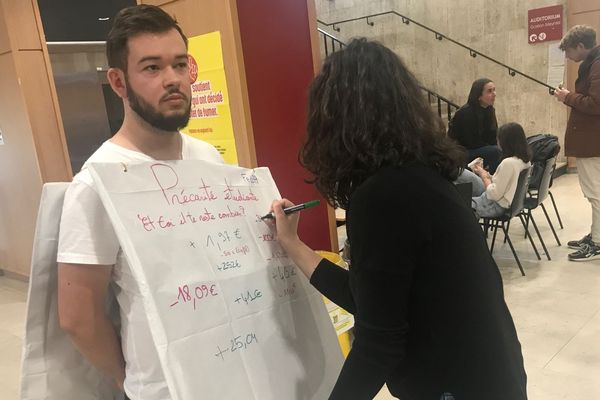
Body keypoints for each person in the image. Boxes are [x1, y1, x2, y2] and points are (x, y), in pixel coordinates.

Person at [268, 38, 527, 400]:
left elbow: (379, 341)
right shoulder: (421, 178)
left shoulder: (382, 196)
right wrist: (293, 245)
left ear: (335, 119)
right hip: (490, 373)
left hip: (456, 385)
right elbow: (374, 301)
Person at [57, 5, 223, 399]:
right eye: (152, 68)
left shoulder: (209, 158)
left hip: (228, 365)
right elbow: (77, 317)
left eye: (180, 65)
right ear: (118, 82)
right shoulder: (97, 183)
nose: (173, 80)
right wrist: (131, 380)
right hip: (163, 387)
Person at [554, 25, 600, 262]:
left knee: (596, 193)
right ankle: (595, 234)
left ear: (581, 46)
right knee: (595, 192)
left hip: (593, 142)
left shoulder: (597, 64)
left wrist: (567, 97)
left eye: (569, 51)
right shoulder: (593, 63)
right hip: (592, 140)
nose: (568, 57)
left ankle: (598, 243)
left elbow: (596, 104)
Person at [457, 122, 531, 218]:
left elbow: (494, 194)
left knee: (456, 202)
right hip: (507, 202)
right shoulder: (524, 160)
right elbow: (505, 183)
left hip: (494, 205)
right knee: (461, 174)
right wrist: (484, 173)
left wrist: (484, 177)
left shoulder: (508, 163)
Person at [448, 78, 502, 173]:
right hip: (462, 152)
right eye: (489, 91)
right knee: (495, 151)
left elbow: (492, 136)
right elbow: (470, 142)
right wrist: (491, 147)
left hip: (479, 148)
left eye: (494, 90)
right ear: (479, 96)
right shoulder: (465, 113)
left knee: (501, 151)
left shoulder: (490, 110)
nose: (494, 94)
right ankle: (493, 181)